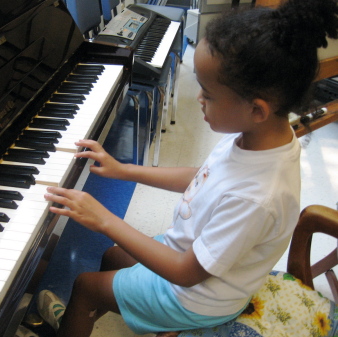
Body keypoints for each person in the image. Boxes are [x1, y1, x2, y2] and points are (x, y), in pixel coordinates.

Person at [39, 0, 338, 335]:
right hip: (190, 255)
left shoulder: (259, 196)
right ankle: (109, 310)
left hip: (198, 296)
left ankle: (84, 309)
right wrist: (124, 170)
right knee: (112, 257)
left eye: (208, 94)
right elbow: (204, 176)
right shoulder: (260, 136)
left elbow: (185, 273)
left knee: (85, 286)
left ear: (257, 109)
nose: (198, 99)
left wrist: (104, 218)